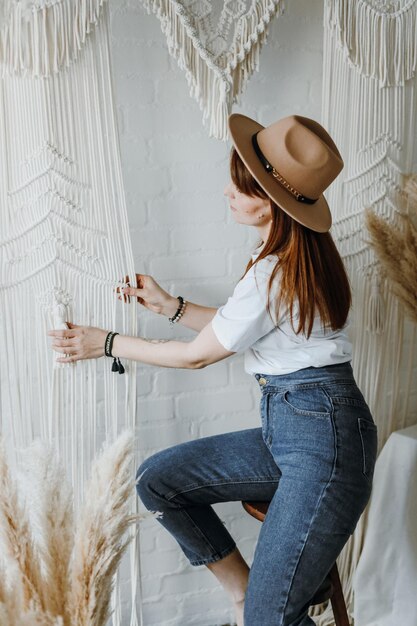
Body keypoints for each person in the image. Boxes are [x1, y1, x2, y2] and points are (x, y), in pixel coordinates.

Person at [48, 113, 378, 626]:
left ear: (271, 203)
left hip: (323, 442)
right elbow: (238, 327)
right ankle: (248, 595)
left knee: (273, 620)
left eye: (242, 185)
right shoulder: (301, 255)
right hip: (297, 428)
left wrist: (106, 342)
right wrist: (169, 306)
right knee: (160, 481)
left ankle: (266, 611)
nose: (227, 191)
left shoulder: (275, 269)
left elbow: (198, 355)